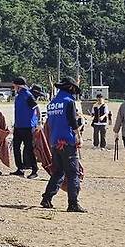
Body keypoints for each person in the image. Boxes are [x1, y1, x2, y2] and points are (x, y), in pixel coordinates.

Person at [40, 77, 85, 212]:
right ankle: (73, 203)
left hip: (54, 142)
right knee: (73, 173)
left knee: (58, 172)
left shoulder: (52, 103)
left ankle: (46, 198)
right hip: (67, 141)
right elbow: (72, 121)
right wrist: (79, 136)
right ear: (70, 88)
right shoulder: (69, 102)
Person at [11, 77, 39, 179]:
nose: (13, 87)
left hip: (28, 127)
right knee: (16, 148)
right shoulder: (18, 95)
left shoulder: (27, 95)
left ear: (18, 85)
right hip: (18, 126)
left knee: (29, 149)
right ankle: (20, 168)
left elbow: (36, 107)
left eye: (14, 85)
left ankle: (34, 170)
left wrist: (37, 122)